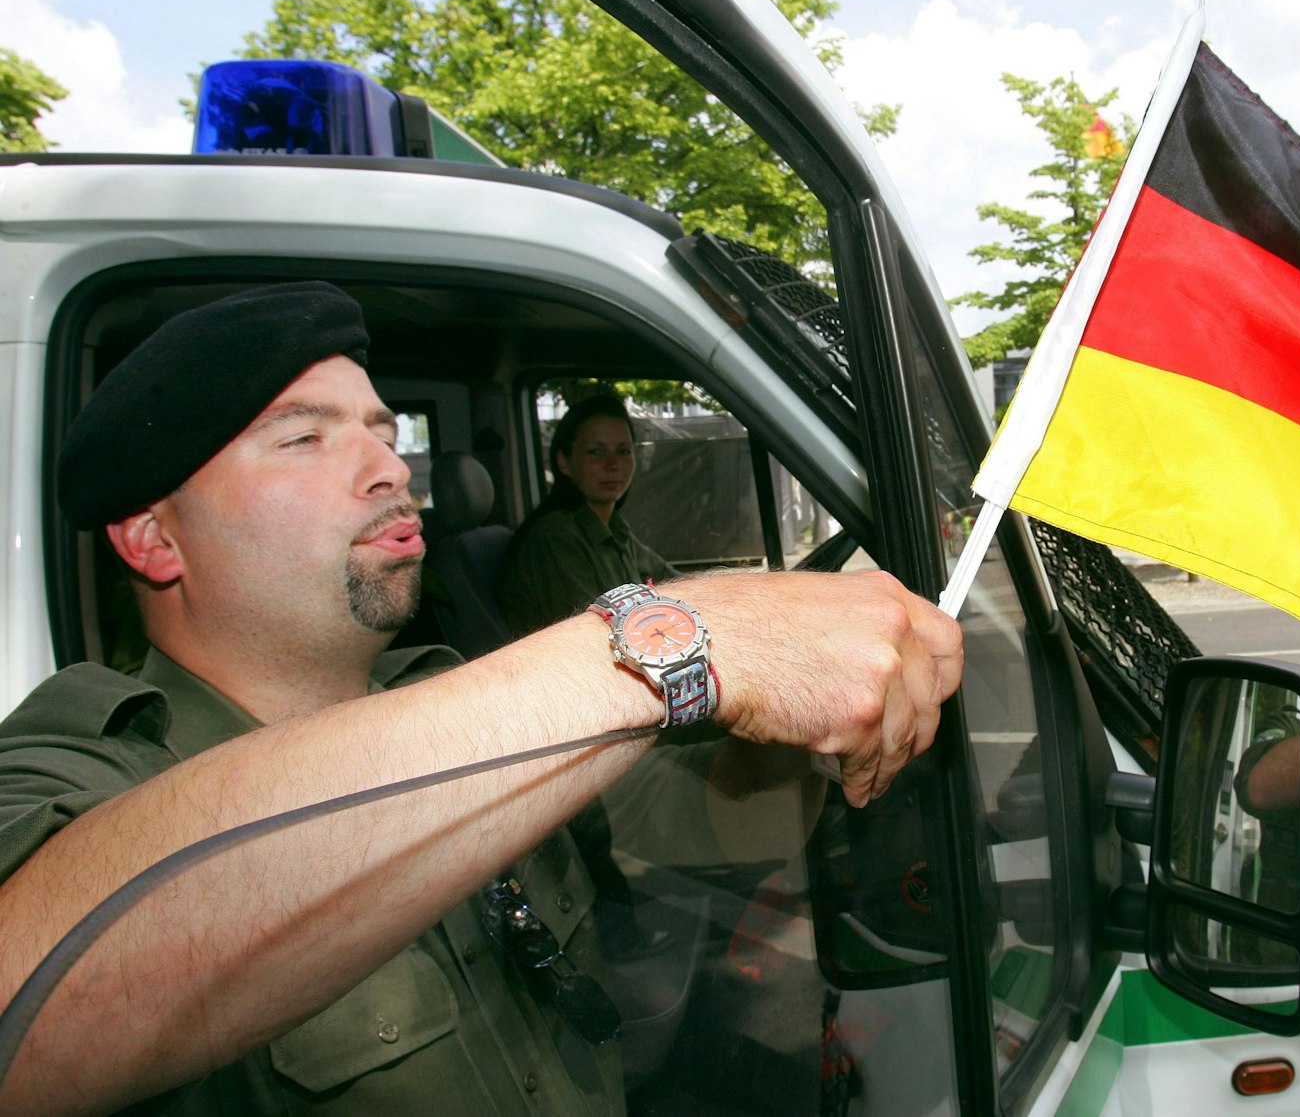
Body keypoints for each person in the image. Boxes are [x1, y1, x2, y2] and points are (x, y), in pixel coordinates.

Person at [0, 282, 960, 1115]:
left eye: (384, 431)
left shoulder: (438, 692)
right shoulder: (86, 763)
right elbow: (34, 1002)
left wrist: (799, 724)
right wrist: (673, 640)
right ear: (154, 540)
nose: (391, 469)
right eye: (303, 438)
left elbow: (702, 824)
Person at [502, 393, 677, 637]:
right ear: (564, 462)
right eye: (596, 452)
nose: (613, 463)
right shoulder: (556, 536)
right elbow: (592, 634)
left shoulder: (614, 529)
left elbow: (675, 581)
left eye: (624, 451)